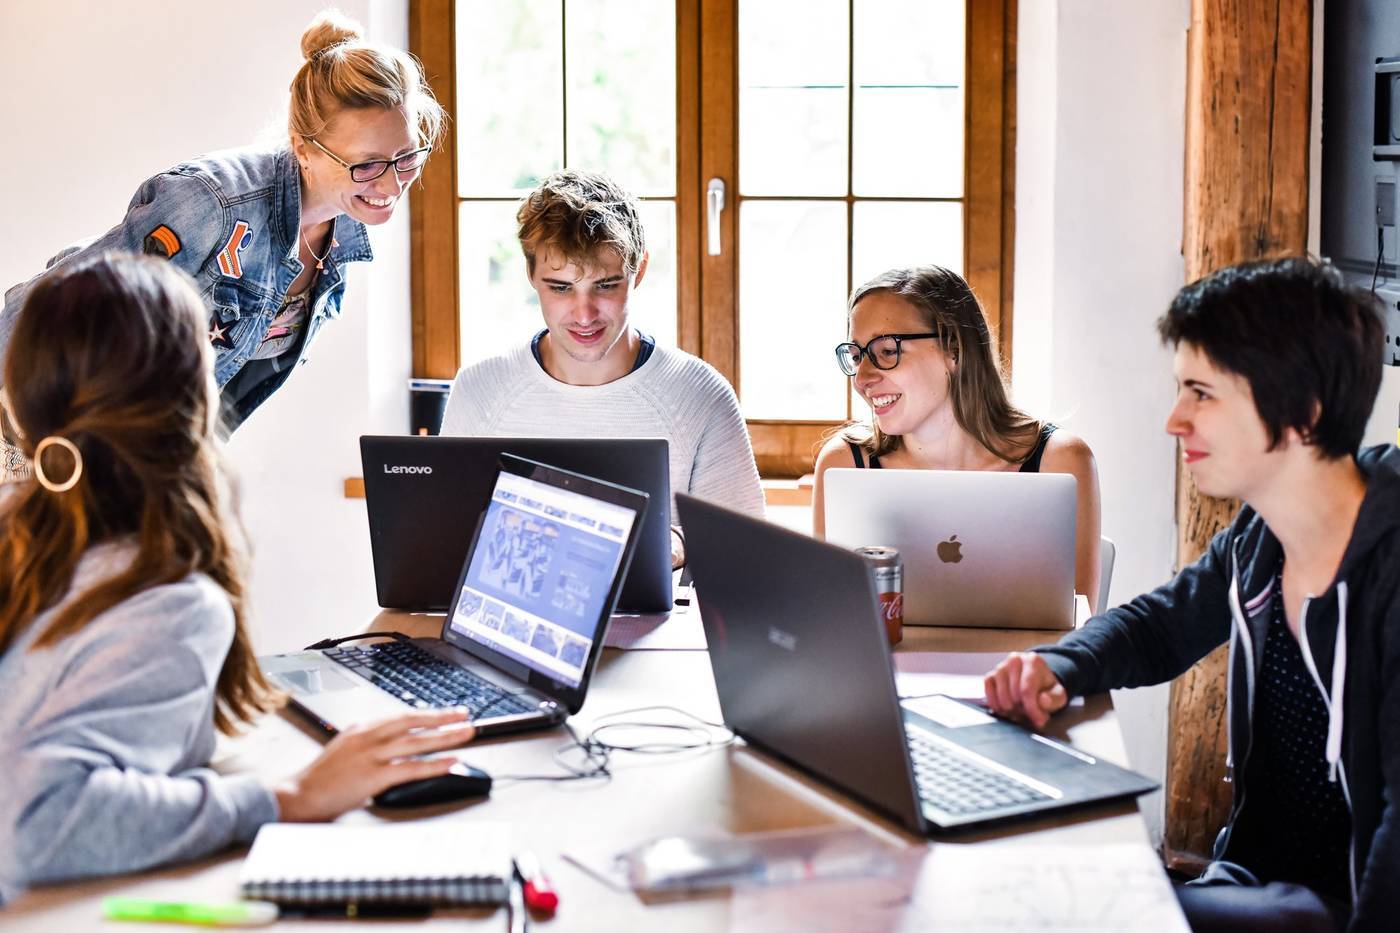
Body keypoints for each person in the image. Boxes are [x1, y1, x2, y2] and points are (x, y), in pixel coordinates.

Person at [0, 254, 476, 904]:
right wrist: (290, 796)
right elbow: (36, 821)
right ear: (189, 399)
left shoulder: (26, 536)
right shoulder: (164, 599)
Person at [983, 257, 1400, 932]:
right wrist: (1057, 666)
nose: (1176, 419)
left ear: (1303, 412)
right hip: (1254, 877)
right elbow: (1159, 626)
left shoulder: (1390, 567)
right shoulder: (1261, 537)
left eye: (1202, 394)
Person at [0, 10, 444, 446]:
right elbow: (43, 308)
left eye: (406, 156)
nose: (392, 182)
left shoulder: (341, 233)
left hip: (138, 456)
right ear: (303, 149)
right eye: (366, 165)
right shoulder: (211, 202)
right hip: (37, 431)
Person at [440, 169, 764, 567]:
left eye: (606, 285)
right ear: (531, 276)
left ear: (639, 270)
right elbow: (449, 544)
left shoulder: (699, 393)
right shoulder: (479, 390)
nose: (584, 314)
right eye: (560, 288)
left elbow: (747, 549)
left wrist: (676, 546)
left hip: (662, 627)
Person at [813, 265, 1103, 608]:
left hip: (1021, 663)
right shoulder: (844, 465)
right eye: (857, 355)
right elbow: (828, 616)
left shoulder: (1060, 461)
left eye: (887, 351)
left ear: (953, 348)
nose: (862, 377)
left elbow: (1080, 634)